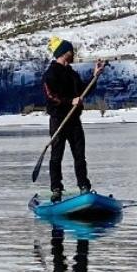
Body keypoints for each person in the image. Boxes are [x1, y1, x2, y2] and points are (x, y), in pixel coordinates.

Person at [43, 36, 106, 202]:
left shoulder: (72, 74)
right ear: (64, 53)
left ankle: (84, 186)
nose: (73, 54)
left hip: (74, 121)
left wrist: (95, 76)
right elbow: (51, 96)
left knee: (80, 155)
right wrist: (69, 101)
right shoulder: (50, 74)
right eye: (71, 51)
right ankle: (56, 189)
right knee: (56, 156)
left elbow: (83, 92)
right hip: (58, 120)